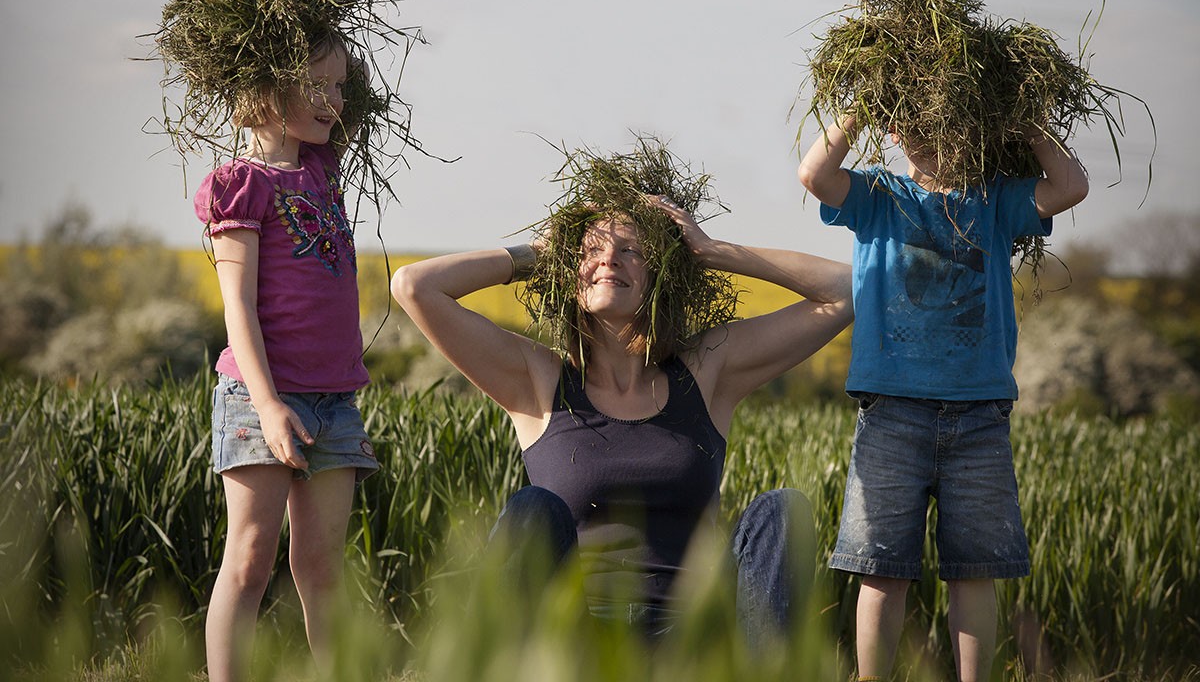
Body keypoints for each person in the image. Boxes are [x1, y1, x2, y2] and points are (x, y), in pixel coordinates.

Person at [390, 172, 853, 644]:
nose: (610, 257)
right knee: (533, 509)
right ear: (571, 277)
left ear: (661, 275)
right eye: (593, 250)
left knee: (782, 511)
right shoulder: (538, 380)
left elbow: (844, 290)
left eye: (632, 251)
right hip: (576, 641)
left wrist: (711, 252)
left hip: (692, 639)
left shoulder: (707, 370)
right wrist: (539, 256)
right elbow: (413, 286)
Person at [797, 114, 1089, 682]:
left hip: (979, 416)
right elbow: (814, 173)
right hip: (890, 411)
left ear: (976, 125)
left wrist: (1024, 122)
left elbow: (1071, 186)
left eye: (949, 120)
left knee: (974, 570)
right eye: (916, 121)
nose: (933, 133)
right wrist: (860, 107)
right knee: (880, 569)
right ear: (896, 130)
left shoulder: (996, 200)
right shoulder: (879, 195)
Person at [196, 33, 380, 682]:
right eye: (320, 86)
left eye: (340, 87)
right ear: (271, 87)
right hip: (259, 397)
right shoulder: (238, 185)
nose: (336, 101)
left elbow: (353, 101)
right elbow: (237, 307)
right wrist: (270, 406)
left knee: (324, 568)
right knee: (249, 558)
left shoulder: (321, 167)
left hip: (335, 401)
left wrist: (321, 31)